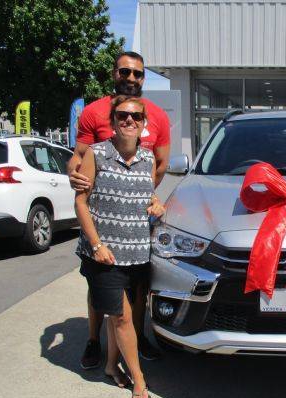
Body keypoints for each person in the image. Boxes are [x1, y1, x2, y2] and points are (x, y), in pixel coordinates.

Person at [68, 51, 170, 369]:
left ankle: (137, 338)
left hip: (136, 225)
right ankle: (93, 339)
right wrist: (74, 173)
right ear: (114, 73)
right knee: (99, 286)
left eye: (137, 73)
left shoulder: (157, 116)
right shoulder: (94, 112)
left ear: (144, 78)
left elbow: (161, 163)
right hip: (102, 222)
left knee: (138, 288)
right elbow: (79, 156)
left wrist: (140, 193)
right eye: (125, 71)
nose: (131, 78)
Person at [75, 95, 163, 398]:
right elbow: (81, 203)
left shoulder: (148, 158)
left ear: (144, 124)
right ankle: (139, 380)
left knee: (118, 316)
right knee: (123, 318)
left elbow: (148, 195)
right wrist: (97, 245)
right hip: (105, 256)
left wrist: (157, 204)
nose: (129, 120)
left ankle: (112, 366)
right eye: (123, 115)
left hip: (138, 253)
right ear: (113, 121)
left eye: (136, 117)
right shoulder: (96, 153)